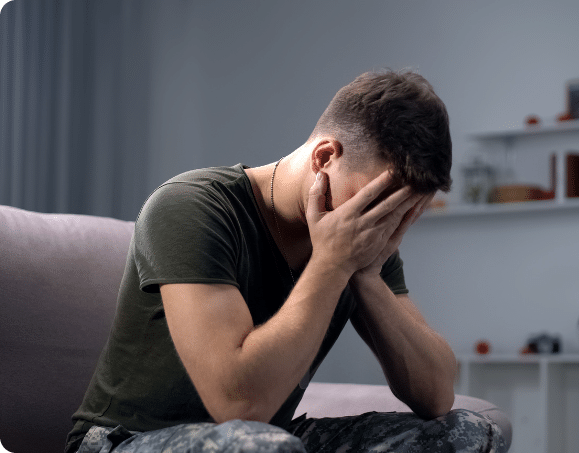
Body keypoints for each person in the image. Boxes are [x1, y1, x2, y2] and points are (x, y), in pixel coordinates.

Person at [66, 69, 507, 453]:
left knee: (466, 434)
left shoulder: (362, 242)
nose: (387, 228)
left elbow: (436, 397)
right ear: (324, 158)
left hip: (266, 440)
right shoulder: (189, 206)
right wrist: (331, 264)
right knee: (261, 446)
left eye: (405, 215)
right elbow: (239, 406)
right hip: (125, 441)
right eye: (376, 205)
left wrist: (365, 274)